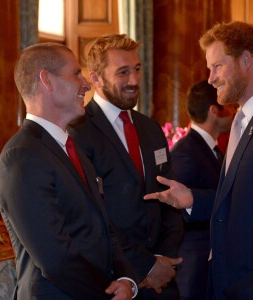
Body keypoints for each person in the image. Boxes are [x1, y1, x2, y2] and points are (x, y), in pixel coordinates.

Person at [145, 21, 253, 299]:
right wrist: (193, 199)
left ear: (246, 60)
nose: (210, 78)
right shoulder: (244, 121)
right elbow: (245, 200)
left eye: (217, 66)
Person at [0, 42, 138, 300]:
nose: (86, 84)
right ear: (47, 81)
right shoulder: (22, 156)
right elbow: (55, 258)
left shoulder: (73, 149)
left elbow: (103, 226)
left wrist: (126, 279)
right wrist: (107, 294)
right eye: (76, 74)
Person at [68, 34, 184, 300]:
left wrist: (163, 259)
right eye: (122, 72)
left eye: (137, 70)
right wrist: (145, 266)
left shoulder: (151, 128)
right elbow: (92, 216)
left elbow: (170, 196)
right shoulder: (77, 132)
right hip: (115, 282)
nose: (134, 81)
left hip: (164, 281)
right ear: (96, 78)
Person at [171, 80, 235, 299]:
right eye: (230, 107)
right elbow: (176, 211)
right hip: (194, 261)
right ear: (214, 111)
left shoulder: (212, 149)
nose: (234, 112)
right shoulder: (186, 152)